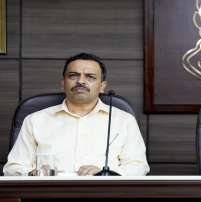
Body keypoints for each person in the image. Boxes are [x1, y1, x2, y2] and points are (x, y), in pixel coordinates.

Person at [3, 53, 150, 176]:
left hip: (104, 196)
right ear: (63, 83)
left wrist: (106, 173)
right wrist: (33, 174)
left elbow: (139, 167)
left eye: (90, 77)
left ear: (102, 86)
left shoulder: (123, 120)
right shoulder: (35, 120)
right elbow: (12, 168)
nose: (81, 81)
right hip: (48, 197)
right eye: (73, 76)